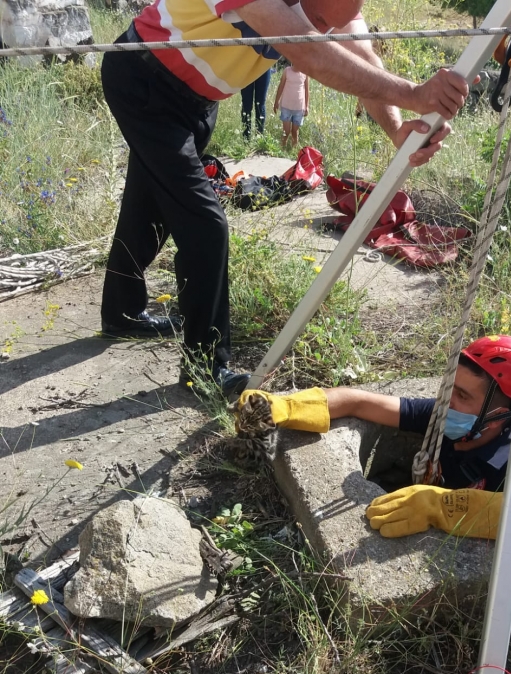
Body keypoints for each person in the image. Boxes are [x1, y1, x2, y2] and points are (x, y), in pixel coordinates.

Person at [99, 0, 472, 397]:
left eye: (331, 24)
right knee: (205, 226)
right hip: (146, 78)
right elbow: (309, 50)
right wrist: (415, 94)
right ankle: (204, 369)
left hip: (196, 99)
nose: (323, 27)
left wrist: (397, 130)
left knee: (149, 205)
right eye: (320, 18)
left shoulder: (337, 6)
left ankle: (122, 313)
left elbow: (360, 53)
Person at [235, 335, 511, 546]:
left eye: (462, 396)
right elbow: (360, 402)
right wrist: (285, 406)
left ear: (503, 413)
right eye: (450, 388)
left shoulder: (510, 458)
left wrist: (444, 507)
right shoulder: (443, 418)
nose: (448, 403)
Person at [274, 65, 309, 148]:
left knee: (294, 132)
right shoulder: (287, 71)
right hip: (286, 106)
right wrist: (276, 101)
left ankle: (294, 152)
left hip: (299, 108)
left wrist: (307, 106)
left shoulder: (305, 73)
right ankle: (282, 149)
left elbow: (307, 90)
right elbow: (281, 86)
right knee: (286, 132)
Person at [241, 68, 272, 140]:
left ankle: (259, 138)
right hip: (247, 67)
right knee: (246, 105)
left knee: (260, 105)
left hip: (264, 67)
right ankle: (246, 139)